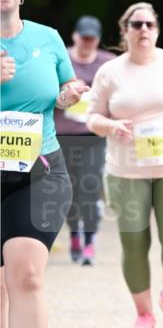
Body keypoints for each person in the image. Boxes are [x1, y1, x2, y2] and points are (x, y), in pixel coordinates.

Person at [86, 2, 163, 328]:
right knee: (134, 244)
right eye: (136, 25)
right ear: (125, 31)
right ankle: (143, 315)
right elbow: (92, 117)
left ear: (157, 29)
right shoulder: (110, 72)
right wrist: (111, 127)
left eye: (149, 25)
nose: (143, 30)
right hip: (126, 170)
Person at [0, 0, 87, 328]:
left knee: (26, 273)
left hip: (39, 171)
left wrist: (71, 92)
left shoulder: (47, 38)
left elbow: (65, 89)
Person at [54, 15, 114, 266]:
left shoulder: (108, 63)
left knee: (89, 189)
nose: (88, 42)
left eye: (92, 38)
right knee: (67, 192)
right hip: (63, 135)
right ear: (75, 36)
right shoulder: (60, 58)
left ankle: (89, 241)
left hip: (93, 136)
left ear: (98, 39)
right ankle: (75, 234)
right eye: (84, 37)